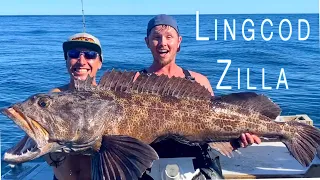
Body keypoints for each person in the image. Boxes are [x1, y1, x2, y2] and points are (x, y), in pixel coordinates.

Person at [135, 14, 262, 179]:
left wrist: (237, 141)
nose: (163, 43)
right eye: (156, 38)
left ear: (178, 41)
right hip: (151, 169)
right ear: (147, 42)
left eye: (169, 37)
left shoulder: (199, 81)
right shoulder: (135, 81)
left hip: (197, 169)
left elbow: (213, 129)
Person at [44, 32, 103, 180]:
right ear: (66, 60)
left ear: (100, 62)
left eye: (90, 55)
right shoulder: (53, 98)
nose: (81, 61)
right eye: (74, 54)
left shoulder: (109, 99)